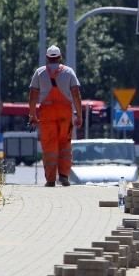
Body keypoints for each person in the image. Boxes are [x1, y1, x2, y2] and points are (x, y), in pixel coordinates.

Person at [28, 45, 83, 187]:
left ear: (47, 58)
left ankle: (51, 179)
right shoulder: (69, 72)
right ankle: (64, 176)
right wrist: (80, 115)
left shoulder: (39, 73)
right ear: (60, 57)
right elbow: (76, 93)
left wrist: (32, 115)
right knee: (65, 143)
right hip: (65, 111)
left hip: (47, 112)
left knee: (49, 145)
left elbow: (33, 95)